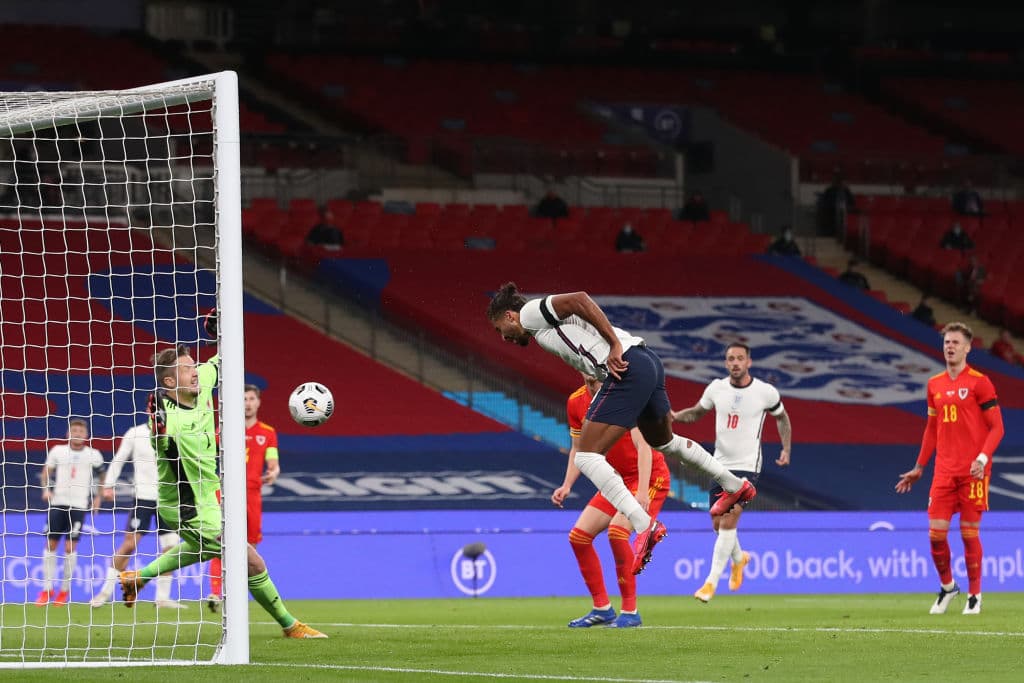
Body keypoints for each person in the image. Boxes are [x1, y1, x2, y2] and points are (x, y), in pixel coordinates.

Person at [486, 284, 757, 574]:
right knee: (664, 441)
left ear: (510, 316)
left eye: (501, 328)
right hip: (647, 361)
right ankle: (734, 485)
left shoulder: (529, 313)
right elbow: (583, 344)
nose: (504, 337)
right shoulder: (545, 331)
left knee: (586, 456)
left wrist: (613, 344)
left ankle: (645, 526)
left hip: (626, 365)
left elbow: (579, 299)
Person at [119, 312, 326, 638]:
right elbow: (160, 438)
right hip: (184, 507)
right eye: (187, 369)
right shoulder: (166, 418)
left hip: (210, 498)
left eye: (193, 365)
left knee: (200, 550)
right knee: (251, 560)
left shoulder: (203, 378)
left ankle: (138, 577)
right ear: (171, 382)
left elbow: (226, 357)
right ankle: (290, 625)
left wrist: (221, 333)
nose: (195, 372)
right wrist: (156, 421)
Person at [895, 322, 1004, 615]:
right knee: (936, 535)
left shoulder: (981, 382)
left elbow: (998, 428)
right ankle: (947, 587)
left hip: (973, 472)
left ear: (968, 348)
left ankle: (975, 595)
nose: (950, 346)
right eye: (947, 342)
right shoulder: (935, 385)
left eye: (956, 342)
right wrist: (919, 467)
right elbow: (931, 429)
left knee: (969, 534)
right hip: (943, 472)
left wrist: (982, 459)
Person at [672, 343, 792, 602]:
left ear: (749, 361)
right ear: (726, 363)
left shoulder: (765, 392)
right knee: (717, 523)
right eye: (730, 359)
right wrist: (675, 417)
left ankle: (710, 583)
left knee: (728, 521)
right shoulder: (716, 388)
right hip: (719, 464)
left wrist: (786, 449)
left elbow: (782, 418)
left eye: (740, 358)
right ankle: (739, 558)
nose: (735, 363)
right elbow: (697, 413)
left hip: (748, 466)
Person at [553, 374, 671, 628]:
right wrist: (567, 484)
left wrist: (641, 493)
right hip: (615, 478)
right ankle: (602, 608)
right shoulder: (576, 402)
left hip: (649, 478)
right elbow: (579, 448)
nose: (591, 373)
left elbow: (644, 447)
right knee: (579, 536)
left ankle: (630, 611)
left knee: (618, 532)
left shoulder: (624, 397)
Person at [90, 422, 185, 609]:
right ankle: (104, 593)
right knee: (129, 544)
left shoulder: (176, 430)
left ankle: (162, 598)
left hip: (169, 498)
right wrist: (108, 486)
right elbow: (119, 459)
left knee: (171, 548)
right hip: (143, 497)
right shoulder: (135, 433)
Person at [206, 383, 281, 612]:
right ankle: (216, 593)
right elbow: (208, 453)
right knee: (221, 542)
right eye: (243, 399)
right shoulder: (226, 430)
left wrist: (273, 472)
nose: (247, 404)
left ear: (258, 402)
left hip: (252, 494)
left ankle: (240, 593)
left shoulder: (267, 432)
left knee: (251, 547)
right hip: (225, 492)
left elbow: (273, 463)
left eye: (251, 399)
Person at [36, 418, 104, 606]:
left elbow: (102, 475)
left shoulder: (94, 455)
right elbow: (45, 472)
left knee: (70, 548)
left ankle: (64, 592)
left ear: (87, 435)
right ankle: (46, 589)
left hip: (79, 506)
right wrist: (46, 490)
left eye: (81, 431)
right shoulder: (58, 451)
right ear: (68, 433)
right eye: (74, 430)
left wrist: (98, 497)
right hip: (58, 503)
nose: (77, 434)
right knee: (50, 544)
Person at [817, 172, 856, 236]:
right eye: (839, 182)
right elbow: (825, 205)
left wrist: (847, 208)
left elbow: (852, 204)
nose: (841, 184)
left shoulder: (846, 191)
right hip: (832, 217)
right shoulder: (829, 191)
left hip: (844, 216)